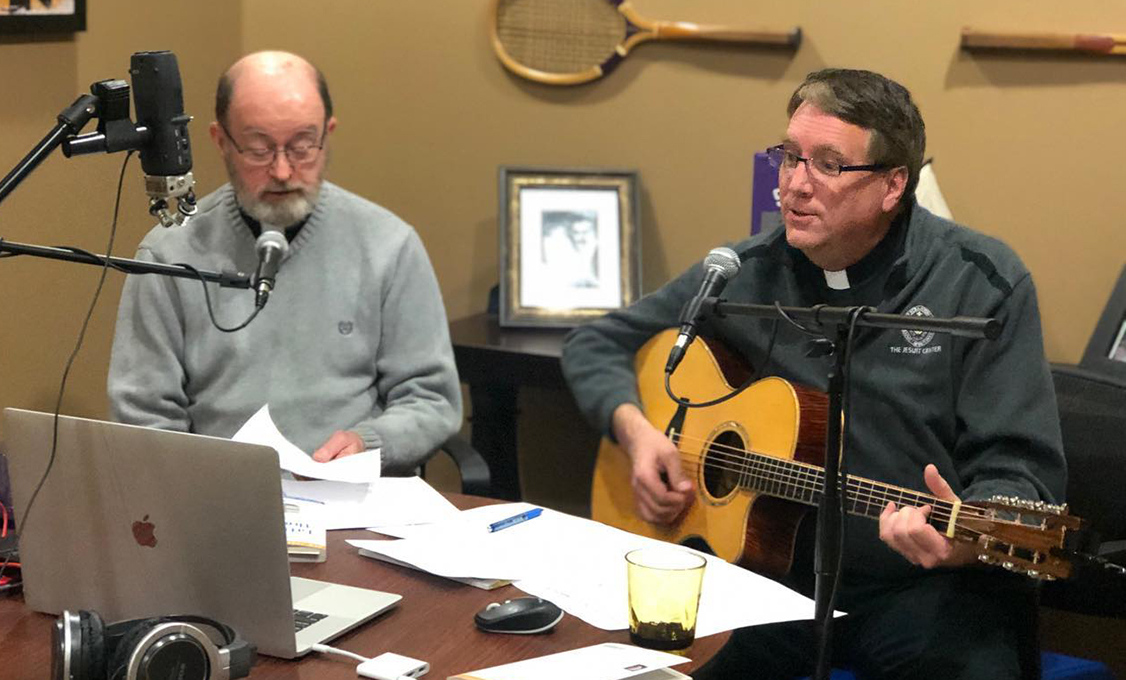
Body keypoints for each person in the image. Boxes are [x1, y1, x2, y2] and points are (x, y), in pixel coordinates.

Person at [562, 69, 1065, 679]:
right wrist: (638, 434)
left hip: (921, 588)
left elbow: (1023, 474)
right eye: (789, 157)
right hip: (769, 581)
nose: (795, 186)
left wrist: (963, 538)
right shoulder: (743, 272)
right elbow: (595, 344)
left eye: (827, 164)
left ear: (892, 185)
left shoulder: (978, 280)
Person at [107, 51, 462, 474]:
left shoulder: (388, 244)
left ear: (328, 134)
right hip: (221, 497)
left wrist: (370, 442)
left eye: (302, 146)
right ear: (220, 141)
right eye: (258, 149)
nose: (282, 170)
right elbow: (144, 414)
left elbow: (431, 399)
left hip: (353, 497)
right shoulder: (169, 254)